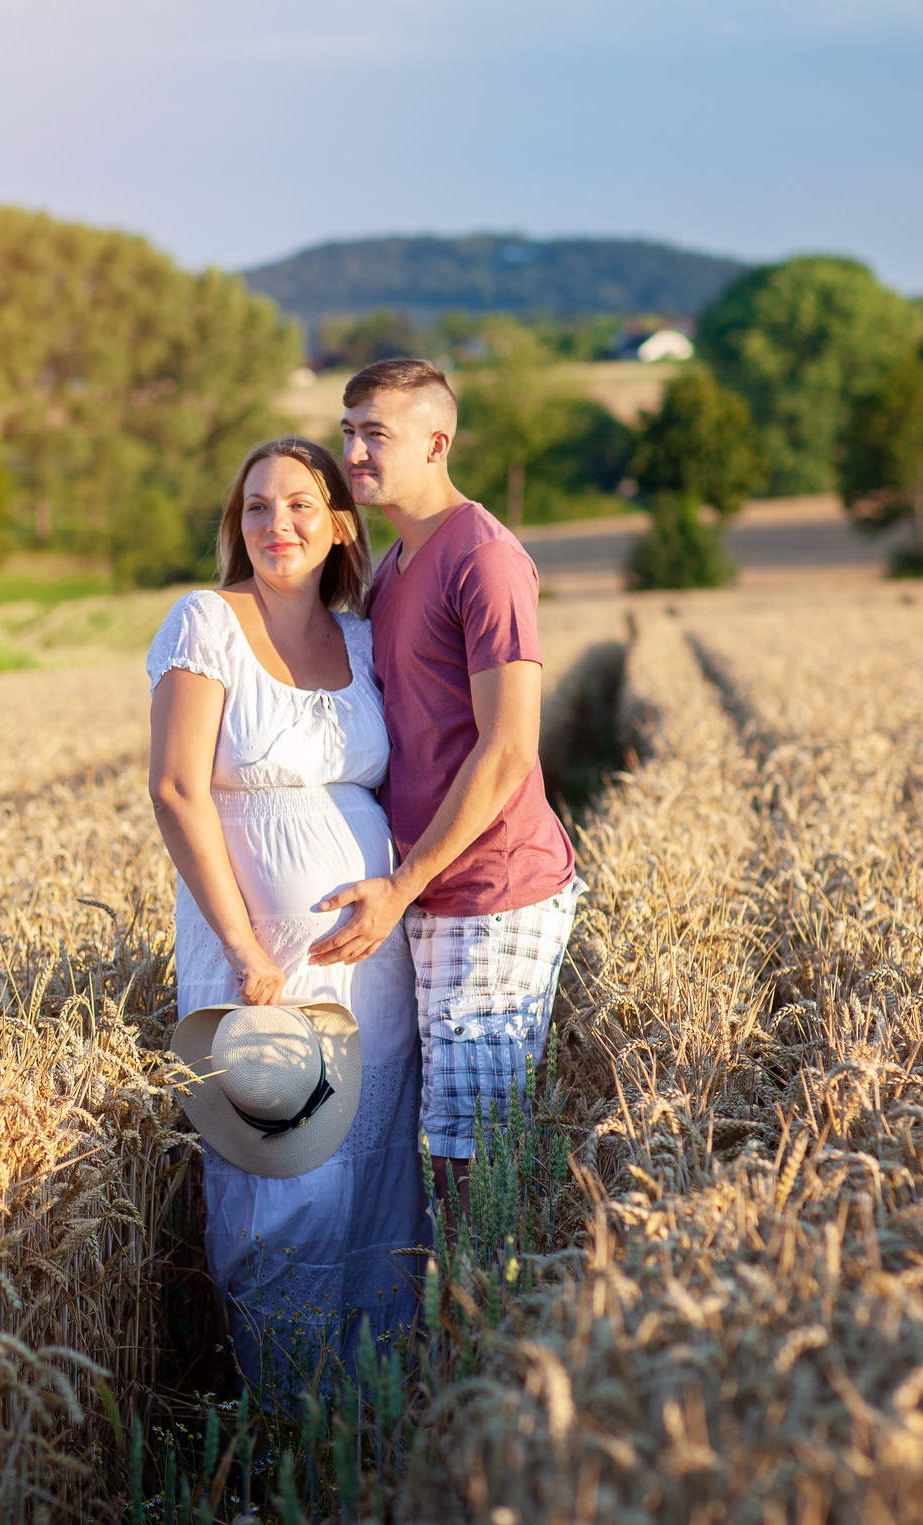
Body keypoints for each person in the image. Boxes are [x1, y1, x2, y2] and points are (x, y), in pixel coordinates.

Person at [146, 437, 430, 1386]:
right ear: (237, 525)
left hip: (368, 959)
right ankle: (286, 1421)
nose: (279, 525)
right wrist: (242, 947)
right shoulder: (205, 623)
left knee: (381, 1175)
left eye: (302, 505)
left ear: (339, 524)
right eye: (257, 508)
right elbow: (179, 791)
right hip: (259, 954)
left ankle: (371, 1422)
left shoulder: (359, 638)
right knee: (286, 1183)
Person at [310, 358, 584, 1228]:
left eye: (375, 434)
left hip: (491, 893)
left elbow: (507, 750)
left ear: (438, 442)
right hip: (428, 893)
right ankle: (446, 1343)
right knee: (433, 1150)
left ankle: (483, 1351)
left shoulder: (486, 558)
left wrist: (404, 881)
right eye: (348, 430)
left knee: (469, 1164)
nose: (353, 450)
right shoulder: (392, 567)